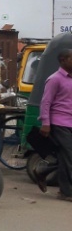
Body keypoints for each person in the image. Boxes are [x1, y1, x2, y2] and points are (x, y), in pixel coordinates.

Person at [37, 48, 72, 201]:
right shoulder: (54, 79)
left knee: (66, 158)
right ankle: (66, 192)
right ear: (63, 60)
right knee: (69, 156)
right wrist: (46, 123)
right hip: (59, 122)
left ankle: (43, 171)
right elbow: (46, 102)